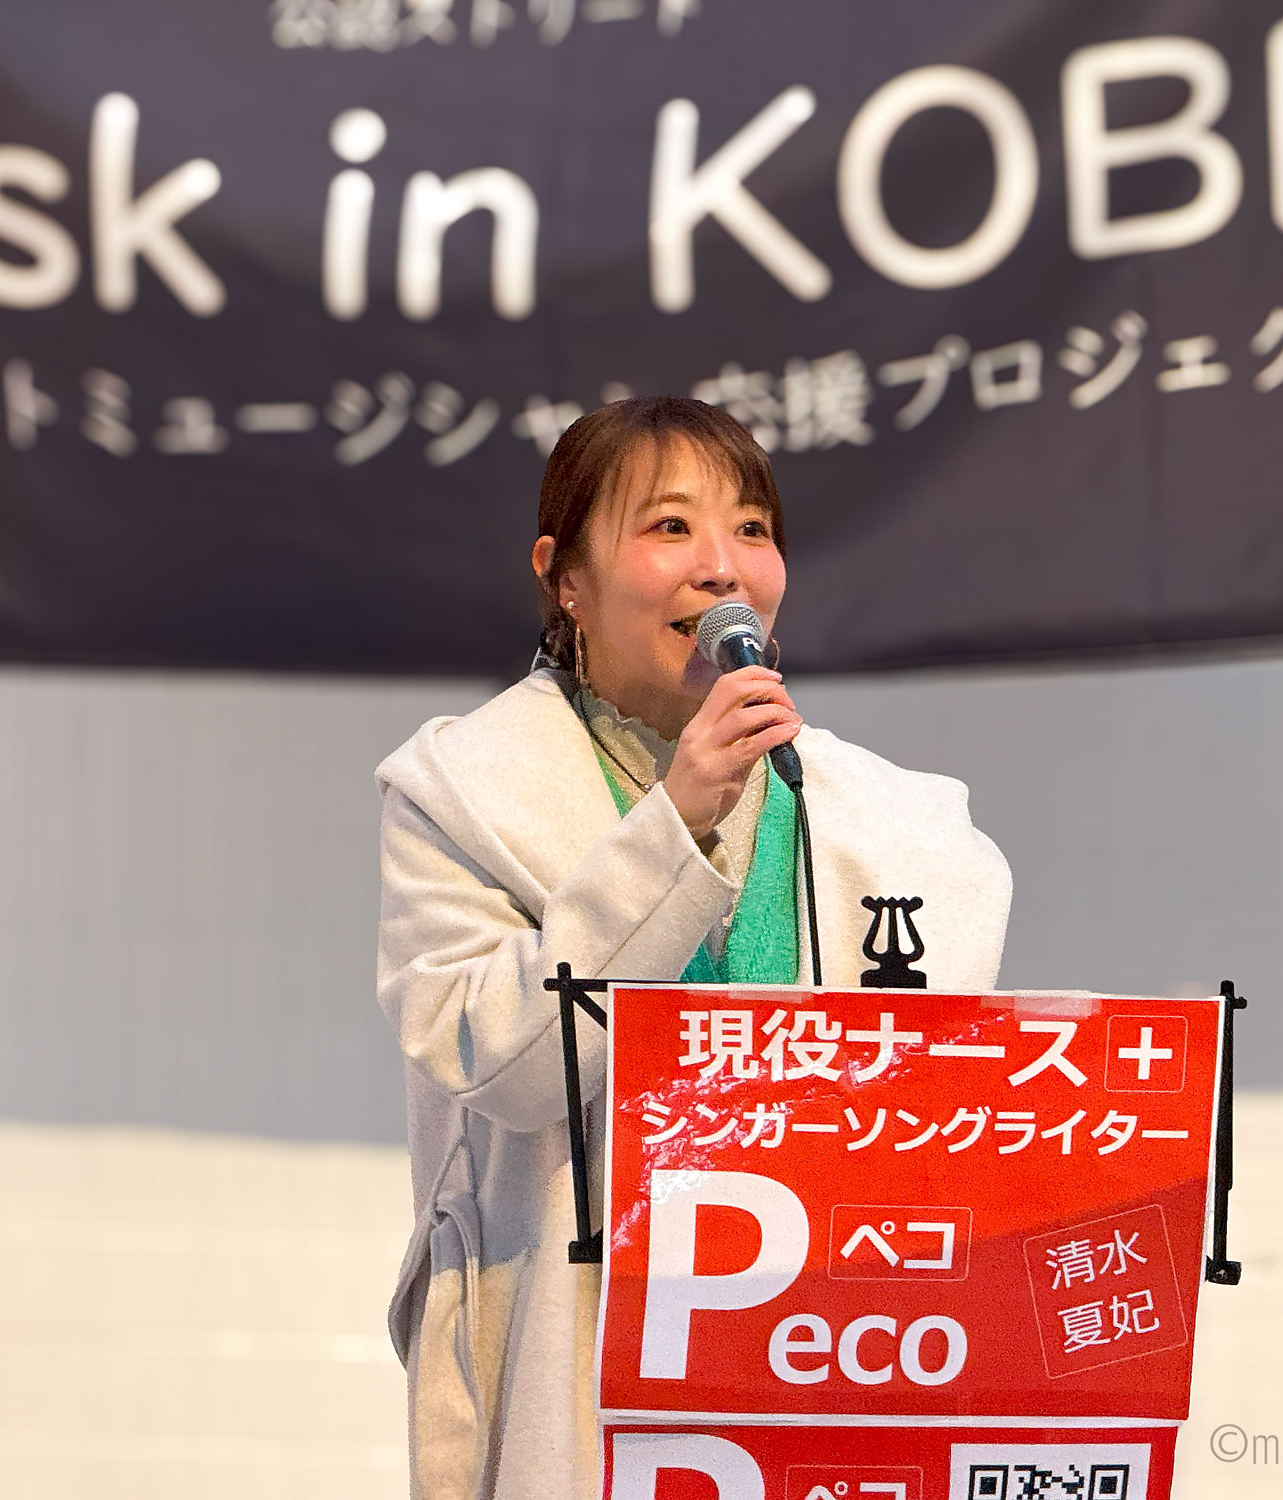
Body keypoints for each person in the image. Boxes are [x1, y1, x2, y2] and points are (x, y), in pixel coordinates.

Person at [373, 395, 1011, 1498]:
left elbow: (930, 1117)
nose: (722, 568)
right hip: (571, 1355)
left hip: (820, 1355)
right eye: (669, 526)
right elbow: (501, 1065)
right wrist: (676, 823)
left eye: (752, 529)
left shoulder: (897, 823)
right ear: (564, 578)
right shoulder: (459, 793)